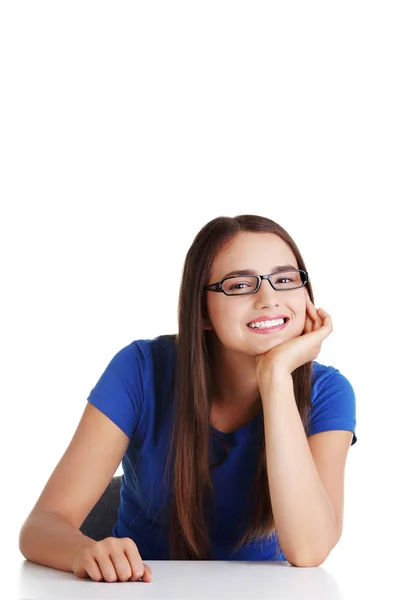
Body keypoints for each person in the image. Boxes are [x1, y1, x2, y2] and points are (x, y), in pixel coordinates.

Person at [18, 214, 357, 582]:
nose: (269, 298)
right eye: (240, 284)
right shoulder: (140, 370)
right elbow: (40, 526)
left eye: (285, 279)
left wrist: (275, 377)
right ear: (202, 311)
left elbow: (309, 550)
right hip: (138, 588)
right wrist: (83, 550)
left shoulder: (329, 393)